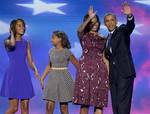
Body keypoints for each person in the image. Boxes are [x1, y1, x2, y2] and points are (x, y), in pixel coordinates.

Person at [73, 6, 109, 114]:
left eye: (96, 22)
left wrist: (109, 74)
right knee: (84, 104)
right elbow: (79, 30)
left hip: (100, 71)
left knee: (99, 104)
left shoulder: (104, 38)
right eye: (92, 22)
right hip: (85, 71)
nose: (95, 24)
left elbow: (105, 57)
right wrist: (90, 17)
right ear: (88, 23)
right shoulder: (83, 35)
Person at [0, 19, 40, 114]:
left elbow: (30, 60)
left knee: (25, 107)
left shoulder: (26, 43)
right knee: (14, 108)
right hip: (12, 74)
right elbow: (13, 44)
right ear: (13, 28)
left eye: (23, 25)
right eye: (19, 25)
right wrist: (12, 33)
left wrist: (36, 71)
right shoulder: (7, 41)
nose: (22, 27)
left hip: (24, 75)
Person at [104, 2, 136, 114]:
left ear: (116, 21)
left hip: (125, 73)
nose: (110, 22)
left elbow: (130, 26)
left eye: (112, 20)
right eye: (107, 21)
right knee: (116, 106)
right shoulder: (107, 38)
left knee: (123, 106)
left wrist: (129, 16)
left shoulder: (122, 30)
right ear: (105, 24)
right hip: (113, 77)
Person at [40, 31, 79, 114]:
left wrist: (78, 80)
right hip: (52, 79)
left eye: (53, 37)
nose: (51, 40)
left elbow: (78, 66)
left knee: (64, 107)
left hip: (64, 80)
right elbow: (49, 66)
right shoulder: (51, 51)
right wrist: (42, 78)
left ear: (60, 39)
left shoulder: (67, 52)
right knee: (49, 105)